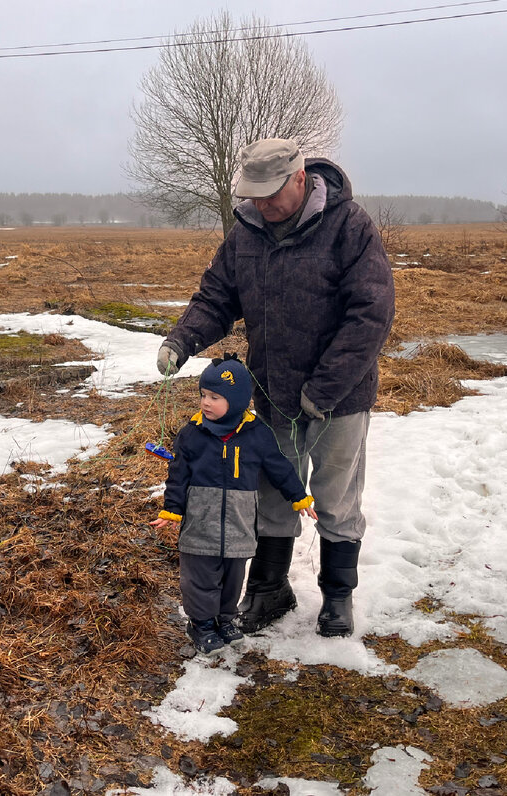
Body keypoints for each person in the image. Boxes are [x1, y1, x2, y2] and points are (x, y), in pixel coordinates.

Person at [156, 139, 395, 638]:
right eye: (254, 195)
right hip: (271, 394)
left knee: (335, 498)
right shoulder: (245, 232)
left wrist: (323, 390)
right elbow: (218, 296)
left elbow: (370, 315)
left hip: (339, 399)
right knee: (269, 493)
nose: (262, 205)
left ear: (300, 179)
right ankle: (270, 588)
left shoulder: (349, 227)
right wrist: (182, 339)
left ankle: (337, 596)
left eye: (270, 194)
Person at [149, 355, 315, 654]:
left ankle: (224, 619)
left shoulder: (257, 434)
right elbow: (177, 475)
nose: (205, 403)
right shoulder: (191, 434)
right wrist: (172, 509)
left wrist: (297, 495)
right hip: (201, 523)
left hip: (239, 525)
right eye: (203, 395)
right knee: (200, 579)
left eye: (215, 397)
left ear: (237, 400)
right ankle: (201, 623)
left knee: (231, 579)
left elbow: (279, 467)